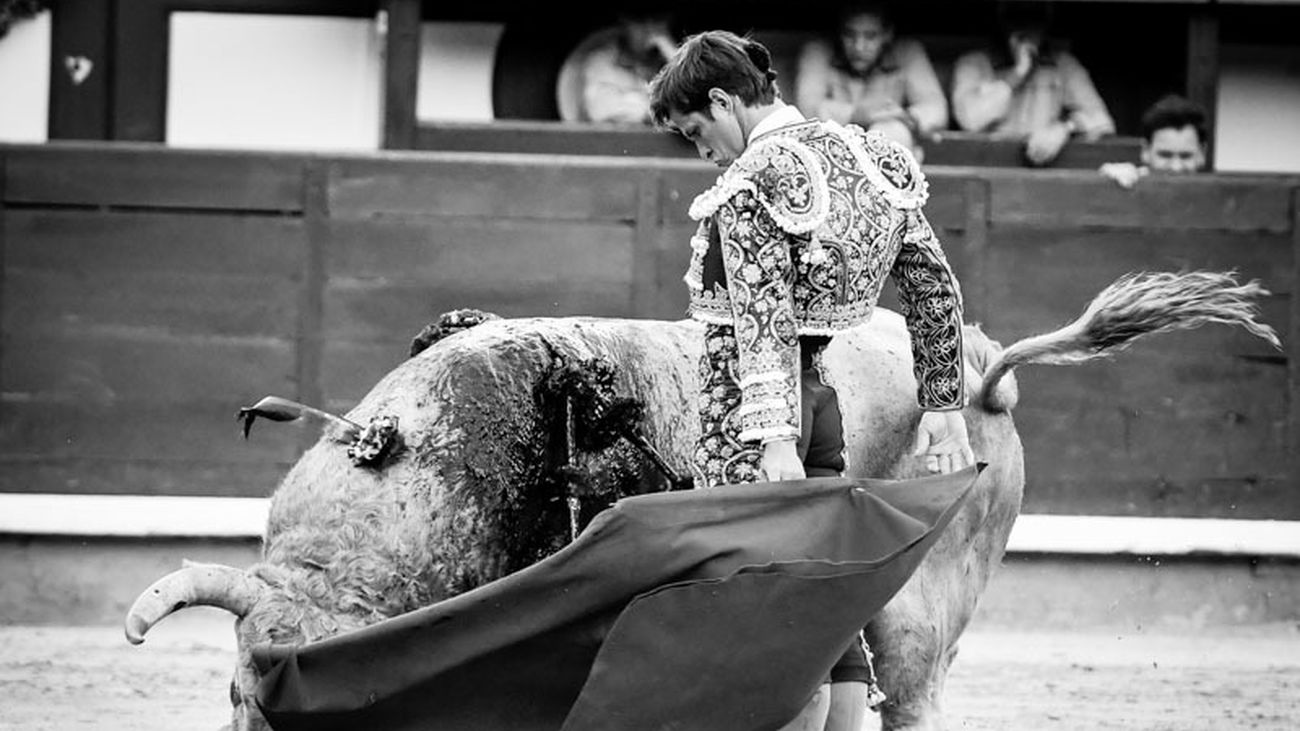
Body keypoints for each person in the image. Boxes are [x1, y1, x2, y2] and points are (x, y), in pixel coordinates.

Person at [649, 30, 974, 731]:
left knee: (763, 606)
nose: (699, 149)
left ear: (723, 99)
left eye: (695, 129)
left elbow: (761, 317)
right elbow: (932, 286)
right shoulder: (872, 155)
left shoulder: (752, 179)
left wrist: (771, 439)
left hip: (749, 413)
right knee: (822, 590)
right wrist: (943, 402)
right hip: (822, 400)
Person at [950, 1, 1115, 166]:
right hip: (986, 166)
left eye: (1034, 18)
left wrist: (1065, 128)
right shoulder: (973, 63)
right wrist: (1018, 73)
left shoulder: (1063, 65)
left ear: (1046, 22)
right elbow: (970, 120)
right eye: (1016, 17)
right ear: (1001, 20)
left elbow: (1103, 122)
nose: (1025, 27)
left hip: (1040, 168)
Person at [793, 2, 947, 156]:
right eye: (849, 34)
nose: (859, 46)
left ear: (887, 34)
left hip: (891, 146)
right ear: (839, 33)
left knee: (892, 130)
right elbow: (807, 107)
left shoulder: (907, 51)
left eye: (870, 36)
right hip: (831, 154)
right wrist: (856, 114)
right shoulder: (818, 50)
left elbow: (936, 107)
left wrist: (904, 117)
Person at [563, 14, 679, 124]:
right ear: (626, 23)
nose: (649, 30)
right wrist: (652, 112)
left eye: (657, 21)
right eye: (640, 22)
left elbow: (692, 101)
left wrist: (669, 50)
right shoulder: (601, 61)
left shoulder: (667, 61)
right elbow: (602, 110)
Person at [1100, 94, 1208, 188]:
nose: (1176, 167)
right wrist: (1110, 185)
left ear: (1202, 154)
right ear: (1146, 151)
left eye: (1185, 156)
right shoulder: (1130, 179)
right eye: (1165, 155)